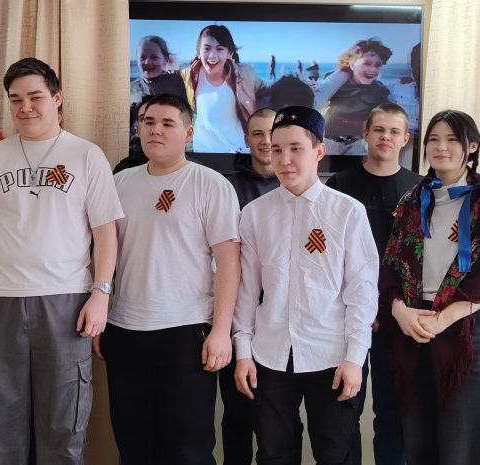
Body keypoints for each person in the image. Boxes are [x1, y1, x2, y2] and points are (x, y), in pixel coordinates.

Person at [0, 57, 123, 464]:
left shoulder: (86, 155)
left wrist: (101, 293)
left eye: (35, 97)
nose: (25, 107)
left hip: (66, 301)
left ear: (57, 98)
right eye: (16, 100)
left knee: (64, 425)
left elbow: (105, 233)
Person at [100, 93, 241, 465]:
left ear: (188, 133)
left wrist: (221, 331)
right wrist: (102, 314)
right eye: (148, 122)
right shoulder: (119, 183)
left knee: (187, 450)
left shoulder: (210, 184)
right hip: (125, 330)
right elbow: (105, 256)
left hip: (186, 332)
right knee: (133, 446)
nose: (155, 130)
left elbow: (229, 263)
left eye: (167, 123)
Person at [234, 106, 379, 465]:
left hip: (331, 354)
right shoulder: (255, 214)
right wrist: (243, 352)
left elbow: (362, 291)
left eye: (295, 149)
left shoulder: (347, 211)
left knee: (335, 455)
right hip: (269, 355)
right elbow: (246, 291)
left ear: (319, 151)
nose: (284, 159)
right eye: (277, 149)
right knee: (273, 454)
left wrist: (355, 358)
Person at [378, 109, 480, 465]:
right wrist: (398, 310)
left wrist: (445, 318)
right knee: (416, 442)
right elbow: (391, 264)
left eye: (452, 139)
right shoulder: (412, 199)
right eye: (434, 139)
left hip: (464, 329)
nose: (441, 147)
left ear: (472, 146)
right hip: (413, 326)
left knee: (458, 446)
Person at [326, 102, 422, 465]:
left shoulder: (419, 189)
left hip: (399, 318)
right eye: (379, 129)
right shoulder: (340, 185)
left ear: (405, 139)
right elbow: (331, 258)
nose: (386, 137)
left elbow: (419, 259)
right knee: (345, 408)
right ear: (365, 133)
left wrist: (389, 308)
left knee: (393, 413)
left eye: (394, 131)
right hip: (346, 316)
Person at [220, 108, 278, 465]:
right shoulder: (225, 187)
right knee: (237, 412)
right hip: (234, 313)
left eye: (272, 133)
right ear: (246, 140)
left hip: (280, 319)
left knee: (276, 419)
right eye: (257, 134)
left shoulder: (297, 186)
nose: (266, 141)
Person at [181, 25, 268, 153]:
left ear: (230, 53)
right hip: (203, 153)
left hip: (236, 151)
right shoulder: (191, 74)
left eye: (219, 49)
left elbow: (267, 91)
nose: (212, 55)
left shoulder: (244, 75)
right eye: (207, 48)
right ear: (198, 52)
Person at [315, 38, 392, 155]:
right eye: (367, 63)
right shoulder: (334, 83)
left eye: (377, 65)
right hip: (329, 142)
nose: (372, 69)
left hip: (358, 145)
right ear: (352, 64)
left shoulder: (380, 91)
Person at [130, 35, 187, 107]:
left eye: (154, 57)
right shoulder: (132, 88)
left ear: (165, 59)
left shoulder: (177, 83)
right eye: (143, 57)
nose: (147, 62)